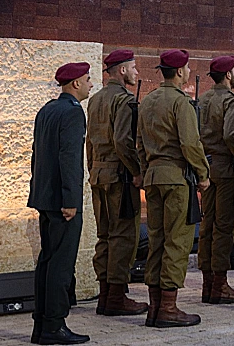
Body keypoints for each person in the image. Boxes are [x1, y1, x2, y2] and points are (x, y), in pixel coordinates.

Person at [137, 50, 210, 328]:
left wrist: (146, 171)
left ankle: (155, 307)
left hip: (154, 176)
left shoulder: (148, 101)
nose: (189, 71)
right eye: (188, 67)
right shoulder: (181, 103)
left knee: (156, 240)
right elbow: (190, 143)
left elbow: (140, 143)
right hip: (177, 177)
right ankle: (168, 307)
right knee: (177, 241)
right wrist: (203, 174)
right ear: (179, 72)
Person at [28, 62, 93, 345]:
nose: (91, 84)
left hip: (44, 197)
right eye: (88, 79)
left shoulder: (47, 110)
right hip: (62, 202)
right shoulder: (72, 112)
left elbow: (37, 156)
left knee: (47, 261)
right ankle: (54, 326)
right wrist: (71, 200)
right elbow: (70, 159)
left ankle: (41, 325)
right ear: (75, 84)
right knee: (61, 265)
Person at [85, 50, 148, 318]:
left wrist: (93, 169)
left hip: (99, 174)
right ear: (121, 71)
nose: (137, 73)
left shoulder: (96, 99)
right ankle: (117, 297)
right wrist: (137, 170)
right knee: (123, 237)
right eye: (133, 68)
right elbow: (123, 141)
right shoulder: (124, 101)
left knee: (105, 236)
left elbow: (89, 141)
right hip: (120, 178)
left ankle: (105, 294)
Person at [197, 56, 234, 305]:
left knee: (207, 225)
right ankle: (219, 285)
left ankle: (208, 285)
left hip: (206, 167)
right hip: (226, 168)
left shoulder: (203, 99)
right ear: (228, 75)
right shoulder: (230, 101)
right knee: (224, 227)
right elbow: (232, 135)